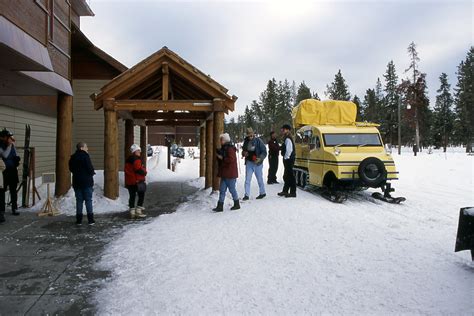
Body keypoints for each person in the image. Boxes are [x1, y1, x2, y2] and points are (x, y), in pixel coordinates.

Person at [69, 142, 96, 225]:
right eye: (86, 147)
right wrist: (92, 172)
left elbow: (71, 168)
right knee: (88, 200)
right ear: (81, 148)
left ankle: (79, 220)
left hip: (77, 181)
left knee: (79, 201)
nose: (87, 148)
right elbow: (89, 167)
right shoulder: (85, 156)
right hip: (86, 182)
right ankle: (90, 219)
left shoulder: (72, 157)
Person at [213, 133, 240, 212]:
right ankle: (220, 206)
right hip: (225, 173)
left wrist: (222, 158)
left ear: (225, 140)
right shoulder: (225, 148)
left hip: (230, 174)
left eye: (221, 139)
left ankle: (237, 203)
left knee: (232, 189)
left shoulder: (230, 149)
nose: (220, 141)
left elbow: (231, 159)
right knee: (222, 190)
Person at [242, 127, 267, 200]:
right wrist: (244, 153)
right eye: (249, 136)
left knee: (259, 179)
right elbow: (243, 150)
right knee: (247, 179)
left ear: (253, 134)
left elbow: (264, 151)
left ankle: (262, 193)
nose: (250, 137)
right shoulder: (245, 141)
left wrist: (260, 158)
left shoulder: (258, 141)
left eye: (251, 135)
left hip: (257, 163)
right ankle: (246, 195)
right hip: (249, 162)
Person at [0, 129, 20, 218]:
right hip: (3, 171)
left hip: (12, 170)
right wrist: (9, 145)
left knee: (13, 189)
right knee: (2, 191)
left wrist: (17, 159)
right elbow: (5, 155)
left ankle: (14, 207)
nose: (11, 139)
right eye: (9, 137)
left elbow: (15, 154)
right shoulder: (1, 146)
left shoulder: (12, 145)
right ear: (4, 138)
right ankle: (2, 210)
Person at [125, 144, 147, 219]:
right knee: (141, 195)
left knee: (132, 196)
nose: (139, 152)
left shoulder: (128, 159)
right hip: (137, 181)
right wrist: (144, 171)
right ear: (135, 151)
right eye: (138, 150)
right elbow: (138, 169)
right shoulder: (136, 160)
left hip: (129, 181)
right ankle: (138, 210)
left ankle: (132, 211)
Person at [278, 124, 297, 198]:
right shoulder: (286, 138)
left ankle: (293, 192)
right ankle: (285, 190)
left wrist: (286, 157)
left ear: (287, 130)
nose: (282, 131)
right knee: (287, 176)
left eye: (283, 130)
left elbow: (289, 149)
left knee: (290, 176)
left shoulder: (288, 138)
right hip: (288, 159)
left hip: (289, 159)